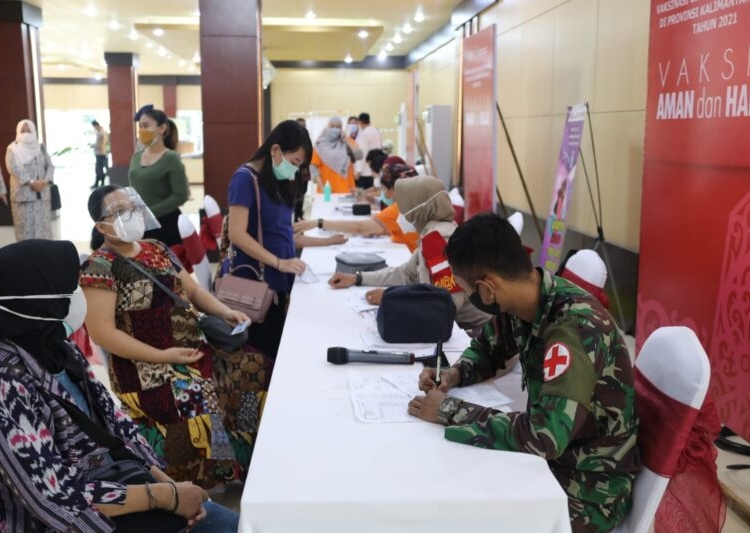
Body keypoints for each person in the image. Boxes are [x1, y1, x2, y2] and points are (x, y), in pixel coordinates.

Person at [407, 212, 641, 533]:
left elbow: (544, 436)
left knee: (459, 515)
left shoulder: (573, 328)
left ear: (487, 288)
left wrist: (449, 410)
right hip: (555, 463)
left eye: (467, 290)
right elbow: (489, 350)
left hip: (587, 491)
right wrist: (454, 374)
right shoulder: (528, 298)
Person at [0, 239, 240, 532]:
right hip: (72, 520)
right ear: (39, 302)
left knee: (227, 522)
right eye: (70, 287)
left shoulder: (62, 351)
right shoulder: (7, 384)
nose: (79, 294)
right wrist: (162, 496)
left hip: (119, 485)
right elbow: (55, 498)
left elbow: (116, 428)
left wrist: (169, 486)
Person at [81, 185, 271, 488]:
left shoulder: (157, 247)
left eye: (130, 207)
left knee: (255, 367)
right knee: (198, 398)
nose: (128, 215)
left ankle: (244, 454)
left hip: (192, 349)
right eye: (117, 212)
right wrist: (164, 356)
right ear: (100, 225)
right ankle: (216, 472)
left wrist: (225, 312)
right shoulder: (98, 268)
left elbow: (193, 291)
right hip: (145, 369)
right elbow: (103, 333)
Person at [327, 175, 490, 330]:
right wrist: (358, 278)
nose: (400, 215)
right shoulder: (431, 234)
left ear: (420, 209)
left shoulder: (439, 240)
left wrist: (392, 298)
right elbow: (405, 273)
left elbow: (446, 302)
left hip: (472, 331)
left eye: (404, 208)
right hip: (452, 325)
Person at [226, 119, 331, 358]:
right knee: (261, 356)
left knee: (282, 348)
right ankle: (259, 397)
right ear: (275, 150)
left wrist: (326, 241)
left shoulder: (278, 179)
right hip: (256, 281)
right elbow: (237, 234)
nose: (294, 169)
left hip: (280, 278)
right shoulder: (245, 179)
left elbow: (282, 233)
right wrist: (278, 262)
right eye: (294, 162)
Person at [294, 162, 420, 252]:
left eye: (384, 189)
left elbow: (359, 228)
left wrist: (319, 222)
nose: (383, 193)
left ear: (396, 188)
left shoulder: (398, 209)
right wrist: (380, 229)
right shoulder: (416, 203)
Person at [128, 105, 189, 247]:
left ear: (162, 128)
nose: (142, 130)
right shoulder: (137, 156)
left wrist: (150, 213)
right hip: (140, 224)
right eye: (140, 126)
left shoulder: (171, 158)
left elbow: (181, 195)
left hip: (165, 224)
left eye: (146, 126)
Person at [4, 119, 54, 241]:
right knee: (25, 233)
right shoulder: (13, 149)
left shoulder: (41, 147)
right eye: (23, 131)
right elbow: (12, 168)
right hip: (23, 197)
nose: (26, 133)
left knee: (43, 231)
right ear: (18, 132)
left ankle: (44, 256)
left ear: (34, 131)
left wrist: (45, 181)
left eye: (29, 130)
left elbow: (50, 166)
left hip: (42, 195)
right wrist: (31, 182)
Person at [310, 116, 361, 193]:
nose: (335, 129)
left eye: (338, 127)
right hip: (326, 191)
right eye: (332, 126)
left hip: (347, 190)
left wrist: (346, 140)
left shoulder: (347, 141)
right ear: (327, 127)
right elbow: (313, 168)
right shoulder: (319, 145)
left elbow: (359, 155)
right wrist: (322, 187)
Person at [354, 112, 382, 188]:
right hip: (375, 169)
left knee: (363, 195)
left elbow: (362, 153)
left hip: (365, 171)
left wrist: (358, 170)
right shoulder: (376, 131)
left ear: (360, 122)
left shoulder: (365, 134)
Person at [91, 120, 109, 188]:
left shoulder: (101, 133)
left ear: (96, 125)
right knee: (98, 168)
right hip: (100, 152)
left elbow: (101, 144)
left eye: (94, 126)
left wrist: (94, 146)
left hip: (101, 153)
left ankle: (101, 183)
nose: (94, 128)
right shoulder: (101, 132)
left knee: (99, 168)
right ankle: (98, 183)